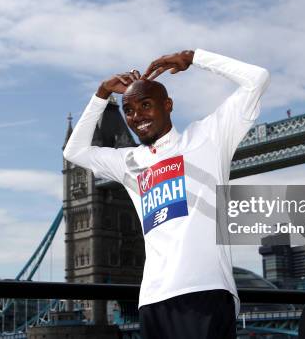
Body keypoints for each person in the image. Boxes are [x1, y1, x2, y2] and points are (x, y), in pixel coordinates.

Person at [63, 48, 270, 339]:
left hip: (205, 292)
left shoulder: (207, 138)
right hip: (152, 300)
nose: (137, 117)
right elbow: (75, 151)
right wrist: (102, 93)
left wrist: (194, 57)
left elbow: (257, 79)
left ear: (168, 105)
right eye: (130, 111)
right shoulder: (130, 162)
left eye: (146, 105)